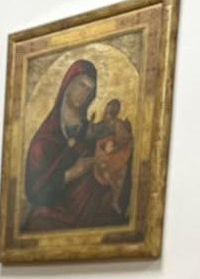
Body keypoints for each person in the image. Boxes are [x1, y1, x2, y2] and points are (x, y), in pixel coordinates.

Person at [22, 58, 128, 231]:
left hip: (89, 202)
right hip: (55, 210)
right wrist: (71, 173)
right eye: (81, 85)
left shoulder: (89, 130)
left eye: (89, 90)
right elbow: (34, 192)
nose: (84, 93)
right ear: (68, 85)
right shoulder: (44, 140)